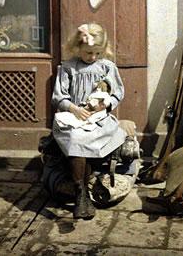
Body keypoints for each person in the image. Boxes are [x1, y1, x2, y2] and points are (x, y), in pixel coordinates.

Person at [51, 23, 127, 219]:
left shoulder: (106, 67)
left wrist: (105, 105)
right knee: (76, 137)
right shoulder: (68, 68)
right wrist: (74, 109)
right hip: (74, 116)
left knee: (92, 137)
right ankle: (81, 193)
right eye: (88, 53)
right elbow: (58, 97)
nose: (92, 57)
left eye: (96, 53)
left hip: (98, 117)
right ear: (77, 48)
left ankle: (82, 194)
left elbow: (118, 93)